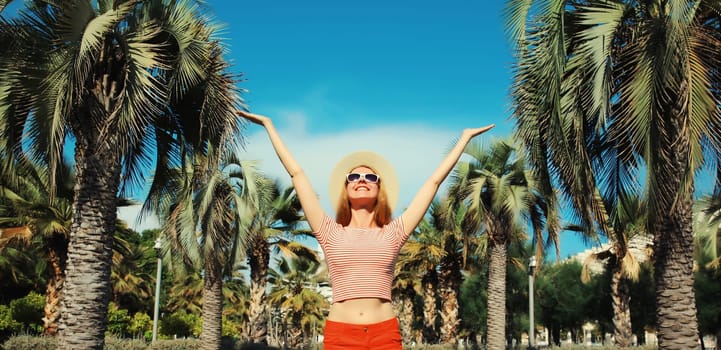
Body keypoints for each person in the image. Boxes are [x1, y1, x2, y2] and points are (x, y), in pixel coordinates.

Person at [238, 110, 494, 350]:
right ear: (346, 190)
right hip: (340, 335)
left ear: (379, 190)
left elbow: (433, 182)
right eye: (354, 177)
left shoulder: (394, 232)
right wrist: (269, 126)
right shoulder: (329, 232)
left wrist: (463, 139)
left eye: (371, 177)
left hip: (385, 334)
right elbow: (297, 174)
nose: (362, 180)